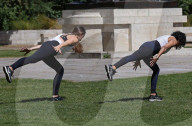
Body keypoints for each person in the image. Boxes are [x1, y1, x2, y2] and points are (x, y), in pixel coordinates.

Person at [3, 26, 86, 101]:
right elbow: (67, 42)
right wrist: (59, 46)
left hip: (49, 47)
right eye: (83, 35)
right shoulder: (75, 38)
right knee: (32, 59)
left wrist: (31, 48)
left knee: (60, 70)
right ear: (80, 34)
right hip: (52, 47)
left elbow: (46, 45)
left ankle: (55, 96)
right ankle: (10, 68)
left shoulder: (64, 35)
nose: (83, 37)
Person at [105, 31, 186, 102]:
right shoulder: (174, 40)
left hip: (148, 47)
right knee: (132, 57)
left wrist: (139, 59)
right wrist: (157, 57)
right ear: (180, 40)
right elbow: (164, 47)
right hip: (150, 47)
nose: (179, 45)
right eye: (181, 43)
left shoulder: (169, 37)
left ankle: (153, 95)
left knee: (156, 70)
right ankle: (112, 67)